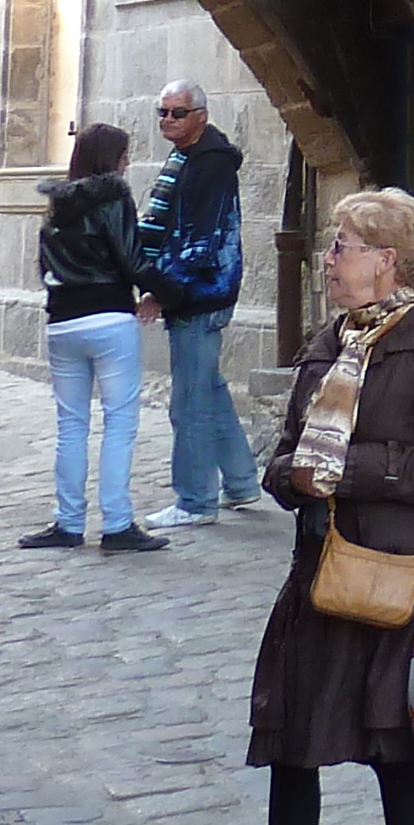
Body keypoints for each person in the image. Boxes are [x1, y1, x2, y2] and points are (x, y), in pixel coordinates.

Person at [178, 187, 414, 825]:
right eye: (331, 244)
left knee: (391, 747)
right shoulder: (330, 340)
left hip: (388, 572)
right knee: (293, 743)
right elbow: (288, 449)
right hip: (317, 566)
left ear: (387, 261)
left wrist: (348, 472)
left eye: (343, 244)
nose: (329, 258)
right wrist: (290, 477)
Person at [22, 126, 170, 554]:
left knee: (71, 426)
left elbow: (44, 265)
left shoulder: (56, 205)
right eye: (124, 155)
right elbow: (131, 256)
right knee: (119, 424)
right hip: (108, 316)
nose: (127, 163)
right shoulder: (114, 197)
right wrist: (163, 292)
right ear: (111, 158)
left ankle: (68, 522)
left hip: (63, 320)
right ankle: (118, 523)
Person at [135, 81, 265, 531]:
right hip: (194, 290)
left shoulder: (209, 165)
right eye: (163, 111)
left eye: (178, 112)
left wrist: (163, 290)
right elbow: (162, 223)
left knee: (188, 402)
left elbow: (201, 239)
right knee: (209, 389)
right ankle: (243, 482)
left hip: (200, 292)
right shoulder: (184, 157)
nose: (168, 120)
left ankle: (195, 500)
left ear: (201, 116)